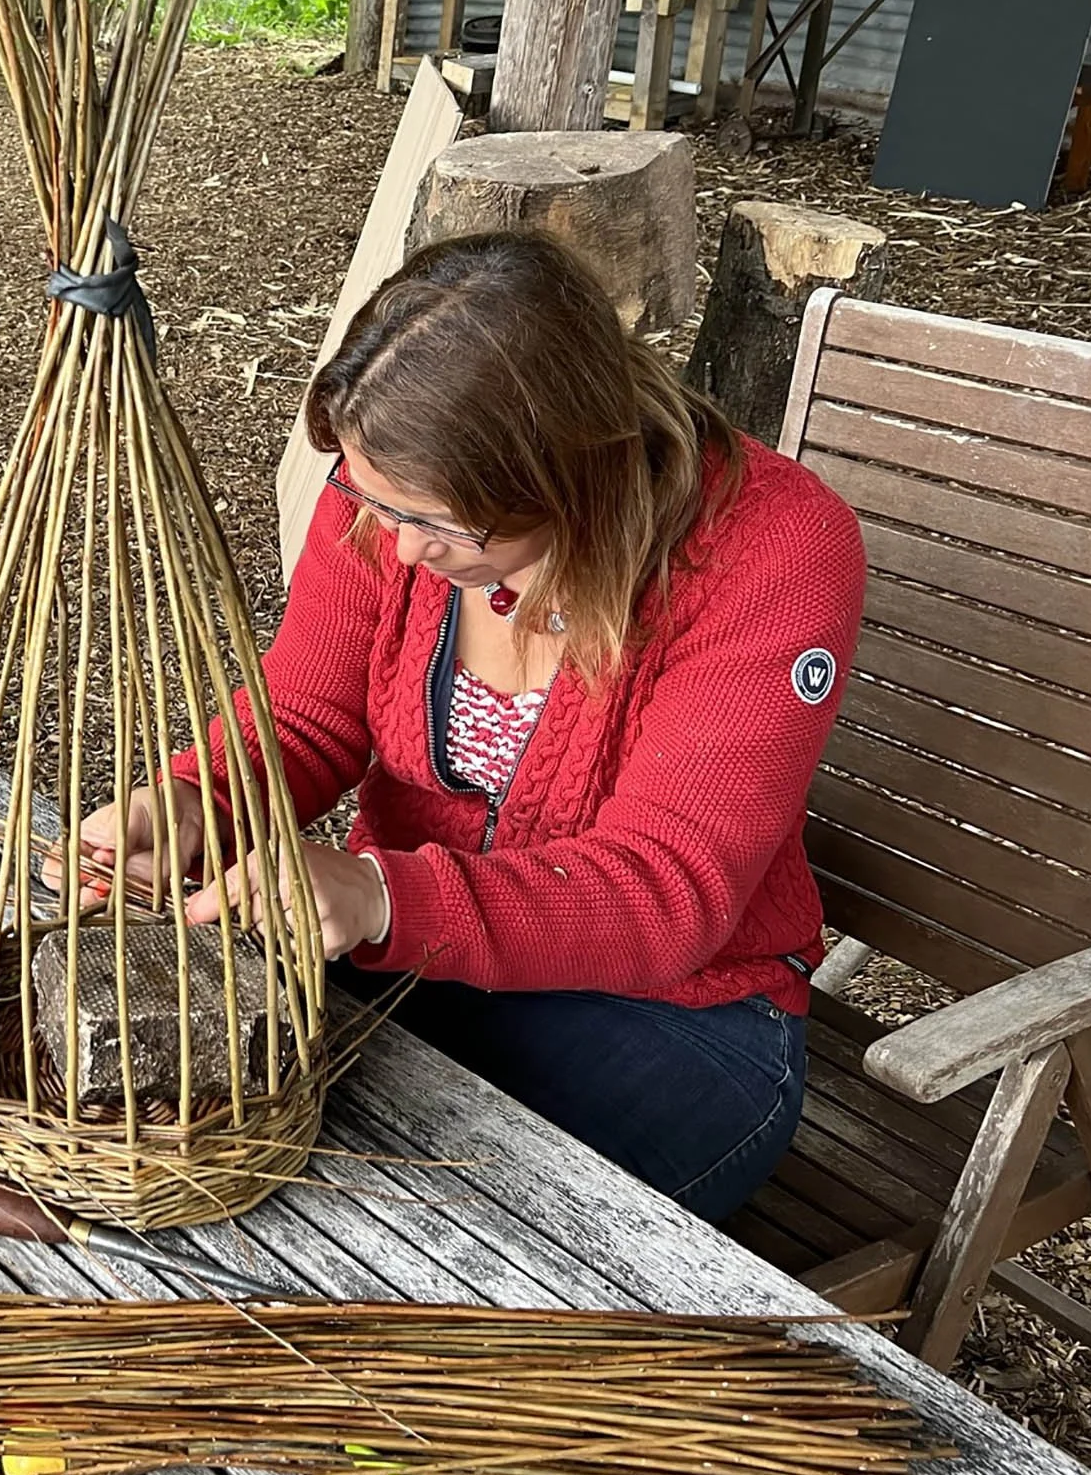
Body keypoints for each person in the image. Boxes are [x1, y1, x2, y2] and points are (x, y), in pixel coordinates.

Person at [71, 232, 865, 1222]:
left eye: (444, 525)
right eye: (373, 502)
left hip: (679, 1017)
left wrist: (378, 895)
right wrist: (199, 800)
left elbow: (668, 891)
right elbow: (306, 714)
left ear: (569, 474)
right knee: (208, 1154)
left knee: (412, 1243)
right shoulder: (394, 486)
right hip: (417, 960)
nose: (402, 549)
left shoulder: (772, 547)